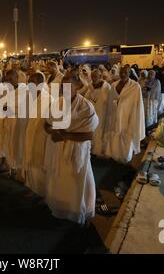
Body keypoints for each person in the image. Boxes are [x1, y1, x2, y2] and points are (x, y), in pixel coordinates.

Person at [44, 72, 99, 225]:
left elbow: (89, 135)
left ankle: (79, 211)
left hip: (77, 151)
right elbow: (46, 124)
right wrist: (52, 131)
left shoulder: (86, 106)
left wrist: (64, 136)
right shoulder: (57, 103)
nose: (64, 89)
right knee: (60, 180)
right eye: (62, 85)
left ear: (78, 87)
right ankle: (61, 208)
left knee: (77, 182)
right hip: (57, 149)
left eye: (68, 86)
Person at [104, 65, 145, 163]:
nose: (123, 74)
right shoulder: (114, 85)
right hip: (114, 116)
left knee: (126, 136)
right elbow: (110, 101)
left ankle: (125, 157)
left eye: (125, 73)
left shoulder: (135, 86)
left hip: (128, 117)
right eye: (121, 72)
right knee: (114, 136)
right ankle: (114, 155)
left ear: (129, 73)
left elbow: (137, 104)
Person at [23, 72, 49, 197]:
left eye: (32, 82)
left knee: (39, 164)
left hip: (42, 138)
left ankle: (41, 192)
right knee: (31, 160)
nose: (29, 85)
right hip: (31, 134)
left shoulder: (48, 99)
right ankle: (32, 187)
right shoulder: (30, 97)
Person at [84, 69, 111, 157]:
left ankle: (98, 150)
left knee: (100, 131)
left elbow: (108, 101)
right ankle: (91, 149)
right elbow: (86, 98)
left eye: (95, 76)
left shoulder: (106, 87)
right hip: (91, 114)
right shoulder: (90, 86)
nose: (93, 78)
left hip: (102, 113)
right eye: (92, 76)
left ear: (100, 77)